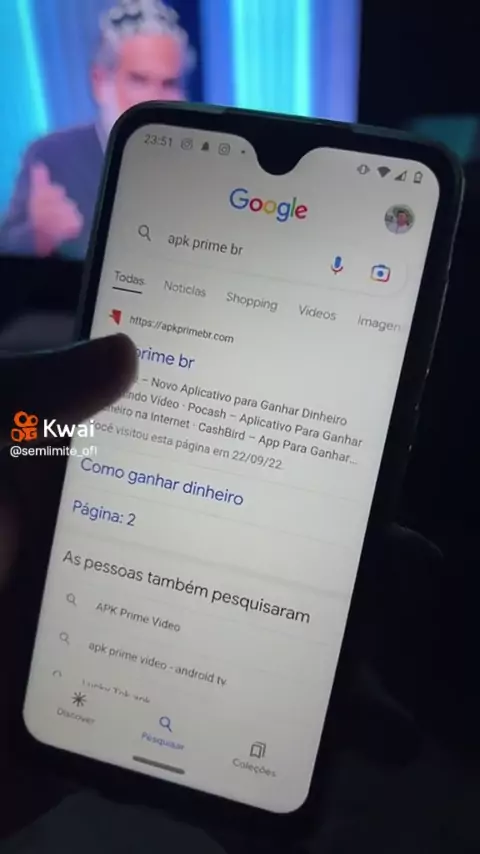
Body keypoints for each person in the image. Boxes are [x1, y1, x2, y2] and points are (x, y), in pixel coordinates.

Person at [0, 0, 195, 260]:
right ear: (100, 81)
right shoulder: (51, 157)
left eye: (169, 84)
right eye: (139, 80)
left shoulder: (199, 165)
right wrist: (38, 236)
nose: (156, 99)